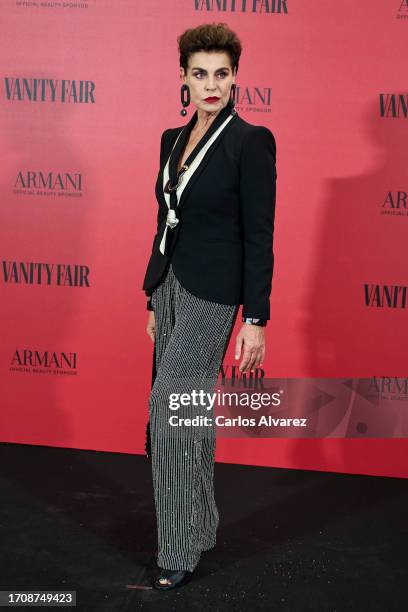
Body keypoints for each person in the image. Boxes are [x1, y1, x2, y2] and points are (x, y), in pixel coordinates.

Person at [142, 22, 277, 590]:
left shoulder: (251, 141)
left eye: (222, 74)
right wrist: (151, 292)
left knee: (171, 414)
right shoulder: (172, 140)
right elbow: (165, 221)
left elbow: (259, 237)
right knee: (189, 413)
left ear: (235, 77)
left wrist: (255, 319)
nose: (211, 84)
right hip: (170, 288)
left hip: (214, 295)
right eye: (200, 75)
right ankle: (200, 527)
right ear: (183, 79)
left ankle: (177, 550)